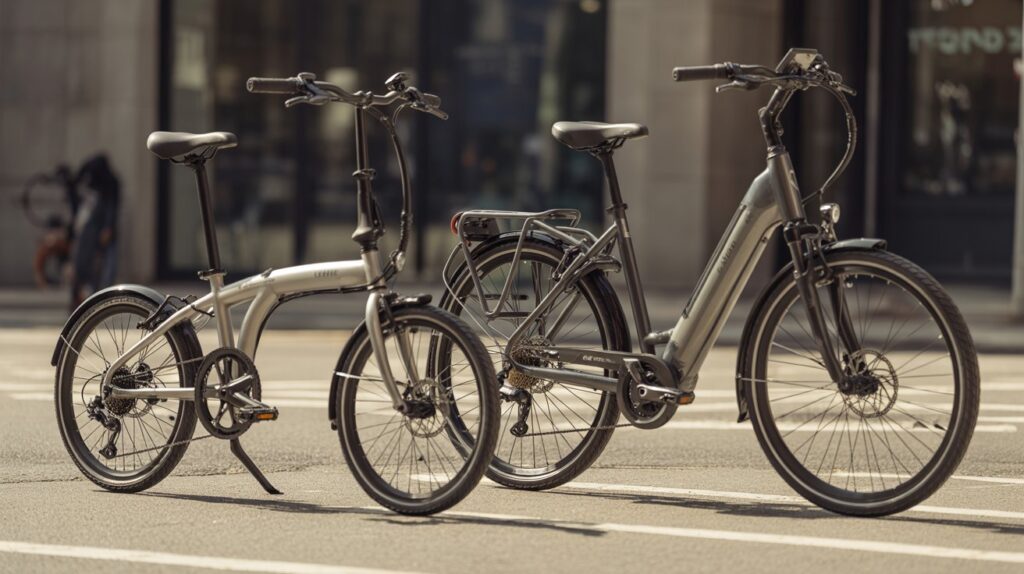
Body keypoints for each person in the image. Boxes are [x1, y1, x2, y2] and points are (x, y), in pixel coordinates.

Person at [70, 154, 120, 308]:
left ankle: (101, 299)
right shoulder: (92, 183)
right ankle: (83, 300)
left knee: (104, 268)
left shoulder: (109, 183)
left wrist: (108, 227)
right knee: (86, 268)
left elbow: (112, 207)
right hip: (89, 232)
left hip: (100, 230)